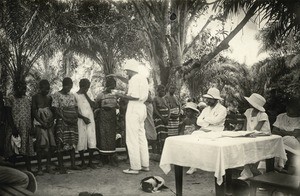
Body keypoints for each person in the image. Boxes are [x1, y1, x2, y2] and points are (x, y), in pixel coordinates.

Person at [109, 61, 149, 174]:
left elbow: (134, 97)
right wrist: (118, 77)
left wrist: (119, 95)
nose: (126, 73)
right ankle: (145, 164)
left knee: (132, 138)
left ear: (130, 70)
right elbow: (129, 82)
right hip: (142, 108)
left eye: (127, 71)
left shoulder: (135, 79)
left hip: (134, 108)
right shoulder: (142, 78)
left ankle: (135, 167)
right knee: (141, 137)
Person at [187, 87, 226, 175]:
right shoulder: (206, 109)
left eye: (209, 99)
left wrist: (206, 120)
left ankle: (210, 165)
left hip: (217, 132)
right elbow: (198, 121)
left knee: (204, 137)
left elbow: (216, 121)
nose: (207, 101)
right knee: (194, 135)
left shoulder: (222, 109)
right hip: (204, 130)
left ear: (215, 99)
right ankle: (193, 165)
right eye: (207, 99)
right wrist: (209, 121)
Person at [239, 93, 271, 180]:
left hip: (262, 137)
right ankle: (247, 172)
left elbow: (257, 129)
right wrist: (243, 134)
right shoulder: (248, 111)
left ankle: (259, 176)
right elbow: (245, 126)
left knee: (255, 152)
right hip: (250, 136)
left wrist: (250, 135)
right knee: (242, 148)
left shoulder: (263, 115)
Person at [52, 77, 80, 174]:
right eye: (68, 86)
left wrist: (75, 118)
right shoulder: (56, 95)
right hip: (62, 121)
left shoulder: (72, 95)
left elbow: (74, 108)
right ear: (64, 85)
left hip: (72, 122)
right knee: (61, 142)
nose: (70, 89)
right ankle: (61, 166)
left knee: (72, 142)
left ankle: (73, 164)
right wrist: (65, 118)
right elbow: (55, 109)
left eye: (71, 87)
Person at [7, 80, 34, 171]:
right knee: (14, 147)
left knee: (26, 148)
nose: (23, 90)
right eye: (20, 88)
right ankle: (12, 171)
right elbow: (8, 114)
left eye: (24, 88)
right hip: (15, 127)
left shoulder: (27, 99)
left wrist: (32, 126)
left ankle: (29, 169)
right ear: (15, 88)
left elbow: (31, 114)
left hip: (26, 127)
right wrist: (13, 127)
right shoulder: (10, 99)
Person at [32, 79, 56, 175]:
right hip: (39, 124)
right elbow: (34, 111)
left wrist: (50, 121)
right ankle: (39, 168)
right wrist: (41, 122)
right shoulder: (35, 97)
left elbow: (52, 111)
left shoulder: (49, 98)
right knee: (40, 146)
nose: (46, 91)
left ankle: (48, 166)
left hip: (49, 124)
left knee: (49, 146)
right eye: (45, 89)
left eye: (48, 89)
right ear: (40, 88)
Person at [272, 97, 300, 174]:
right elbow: (274, 131)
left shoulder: (299, 119)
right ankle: (278, 167)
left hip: (295, 143)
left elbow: (296, 134)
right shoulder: (281, 116)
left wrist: (281, 131)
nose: (288, 108)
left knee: (285, 140)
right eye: (288, 106)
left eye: (293, 107)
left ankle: (278, 166)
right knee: (282, 140)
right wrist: (290, 133)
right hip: (283, 142)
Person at [95, 77, 119, 166]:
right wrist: (103, 108)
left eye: (114, 87)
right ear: (107, 86)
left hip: (112, 119)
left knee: (111, 138)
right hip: (103, 118)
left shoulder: (115, 95)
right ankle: (103, 159)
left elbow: (117, 105)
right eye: (111, 86)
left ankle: (111, 158)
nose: (112, 89)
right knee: (103, 138)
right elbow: (96, 105)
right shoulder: (101, 95)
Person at [74, 79, 97, 169]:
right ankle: (83, 161)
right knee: (81, 140)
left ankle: (90, 162)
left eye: (87, 87)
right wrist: (83, 118)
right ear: (81, 86)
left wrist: (86, 94)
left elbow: (94, 105)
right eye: (85, 87)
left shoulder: (88, 94)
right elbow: (75, 110)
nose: (86, 89)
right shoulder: (75, 95)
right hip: (81, 120)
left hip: (90, 120)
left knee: (91, 139)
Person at [153, 85, 170, 154]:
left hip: (166, 119)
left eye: (163, 91)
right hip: (159, 119)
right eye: (161, 90)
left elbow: (169, 108)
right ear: (157, 91)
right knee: (160, 135)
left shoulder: (165, 99)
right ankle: (160, 151)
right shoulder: (155, 99)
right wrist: (162, 117)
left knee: (165, 135)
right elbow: (155, 110)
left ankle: (164, 151)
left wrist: (168, 117)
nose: (163, 92)